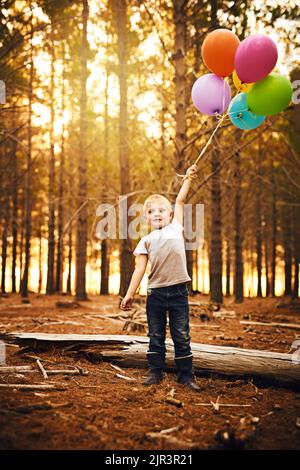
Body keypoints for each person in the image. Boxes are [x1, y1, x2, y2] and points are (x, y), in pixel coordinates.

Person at [120, 164, 201, 392]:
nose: (157, 213)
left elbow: (181, 200)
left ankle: (186, 375)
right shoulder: (145, 241)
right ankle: (155, 372)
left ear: (171, 215)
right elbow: (139, 270)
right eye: (152, 211)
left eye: (161, 210)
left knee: (181, 335)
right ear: (146, 217)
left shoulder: (176, 227)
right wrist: (129, 295)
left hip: (178, 293)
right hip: (155, 294)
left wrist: (188, 179)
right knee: (155, 335)